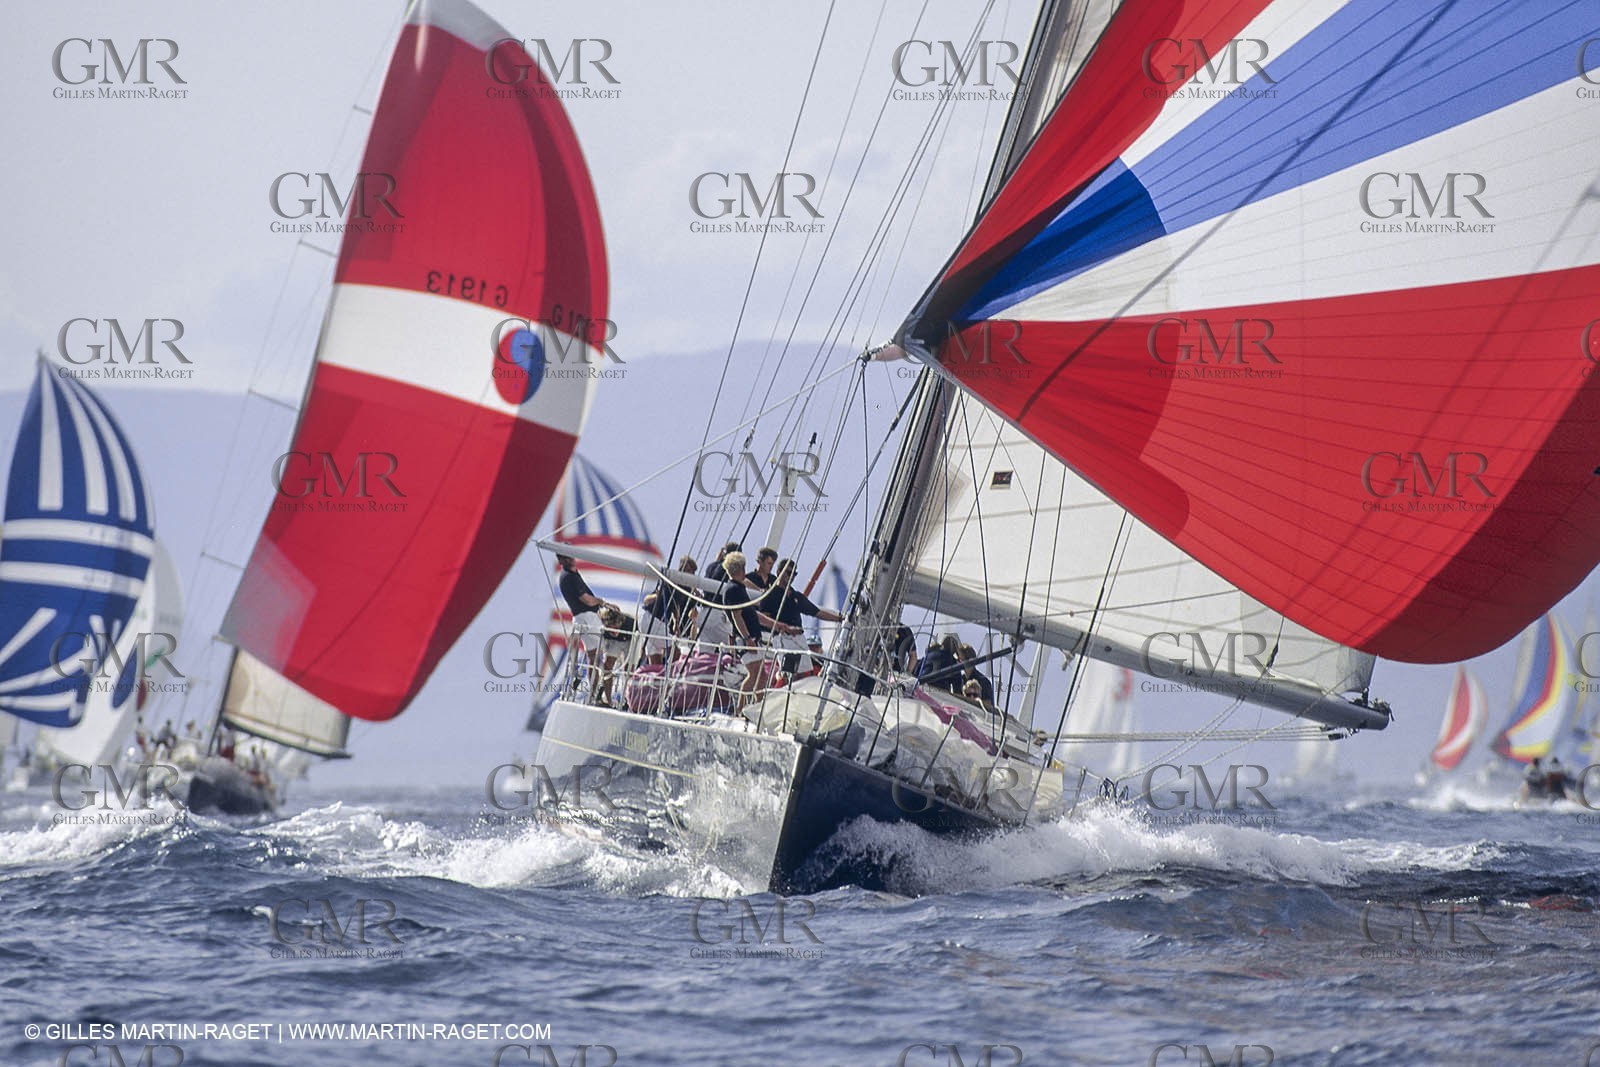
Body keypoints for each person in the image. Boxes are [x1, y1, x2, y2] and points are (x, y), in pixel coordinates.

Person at [697, 552, 775, 702]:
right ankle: (740, 707)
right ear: (739, 569)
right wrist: (747, 639)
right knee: (754, 675)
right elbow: (737, 616)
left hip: (750, 637)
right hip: (746, 639)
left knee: (761, 676)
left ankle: (757, 705)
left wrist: (776, 625)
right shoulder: (733, 589)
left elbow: (750, 613)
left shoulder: (738, 588)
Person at [760, 559, 844, 675]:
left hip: (799, 638)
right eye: (788, 573)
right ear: (779, 572)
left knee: (805, 672)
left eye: (794, 574)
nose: (791, 577)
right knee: (790, 673)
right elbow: (763, 618)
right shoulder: (770, 595)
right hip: (783, 638)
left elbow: (817, 612)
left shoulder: (795, 596)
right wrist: (780, 628)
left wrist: (840, 619)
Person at [557, 554, 611, 697]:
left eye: (570, 556)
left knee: (592, 656)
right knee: (606, 651)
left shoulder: (570, 575)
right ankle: (602, 687)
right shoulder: (569, 577)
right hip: (587, 618)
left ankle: (591, 690)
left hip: (581, 619)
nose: (571, 559)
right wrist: (601, 602)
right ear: (561, 561)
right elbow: (586, 599)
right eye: (566, 557)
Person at [641, 555, 697, 665]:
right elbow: (646, 600)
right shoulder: (669, 580)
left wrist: (676, 623)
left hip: (655, 622)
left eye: (692, 572)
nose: (691, 574)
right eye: (689, 571)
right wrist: (658, 596)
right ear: (682, 569)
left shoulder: (685, 588)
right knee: (675, 652)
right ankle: (673, 674)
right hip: (651, 619)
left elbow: (676, 605)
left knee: (656, 660)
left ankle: (659, 675)